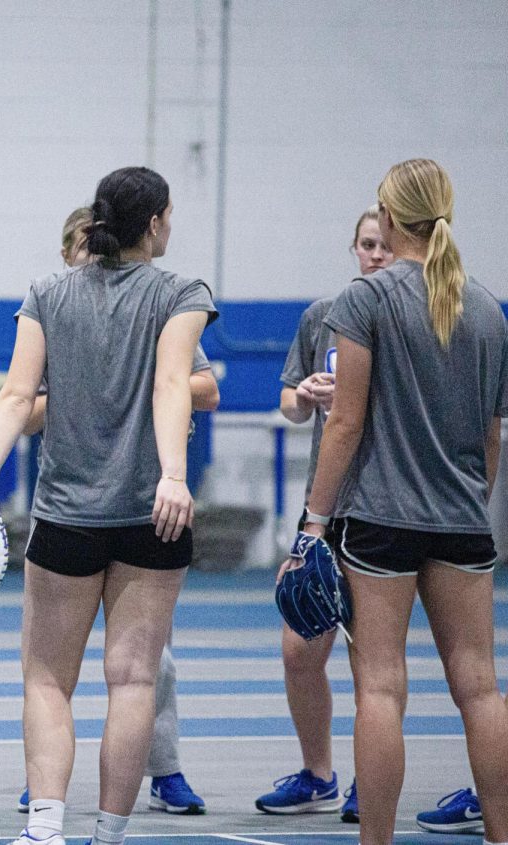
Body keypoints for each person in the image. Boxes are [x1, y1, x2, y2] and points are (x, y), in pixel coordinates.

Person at [0, 167, 216, 845]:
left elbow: (16, 397)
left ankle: (44, 828)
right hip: (150, 517)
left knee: (48, 679)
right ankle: (108, 834)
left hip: (67, 516)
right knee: (134, 681)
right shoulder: (182, 291)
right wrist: (172, 473)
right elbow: (175, 380)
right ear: (156, 222)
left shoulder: (49, 292)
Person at [294, 158, 508, 845]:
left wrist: (313, 524)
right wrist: (473, 502)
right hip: (463, 522)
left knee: (381, 690)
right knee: (480, 688)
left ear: (388, 219)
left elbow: (346, 423)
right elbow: (491, 435)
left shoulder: (365, 300)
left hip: (381, 522)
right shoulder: (485, 307)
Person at [260, 205, 392, 822]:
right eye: (367, 244)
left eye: (385, 245)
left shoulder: (406, 320)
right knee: (299, 647)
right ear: (354, 248)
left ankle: (375, 777)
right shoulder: (324, 317)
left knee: (372, 654)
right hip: (323, 508)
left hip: (382, 505)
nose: (376, 255)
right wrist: (305, 395)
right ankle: (318, 773)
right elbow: (288, 401)